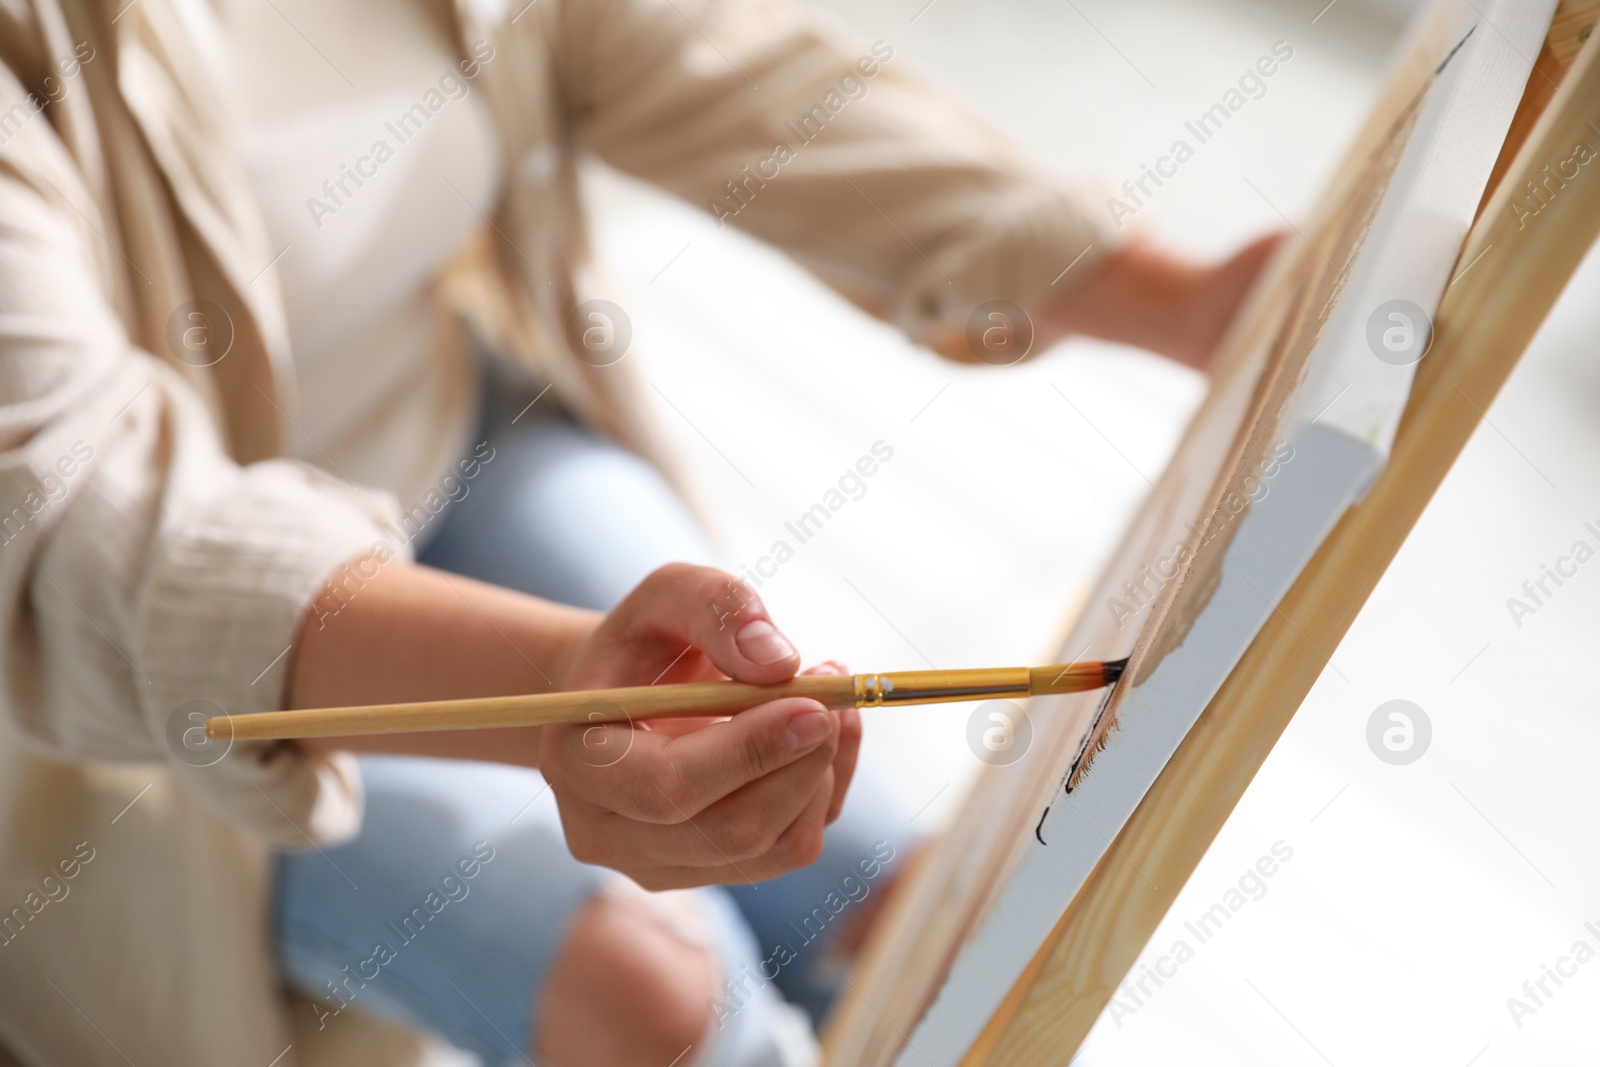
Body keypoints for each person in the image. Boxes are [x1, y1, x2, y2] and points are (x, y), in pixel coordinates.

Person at [0, 1, 1276, 1065]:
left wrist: (1171, 296)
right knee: (654, 994)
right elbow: (82, 525)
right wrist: (562, 690)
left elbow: (711, 62)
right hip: (119, 705)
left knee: (899, 907)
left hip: (458, 450)